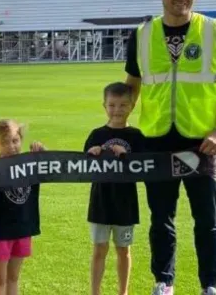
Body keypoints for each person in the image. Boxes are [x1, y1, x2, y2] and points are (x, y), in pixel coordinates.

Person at [124, 0, 216, 295]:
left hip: (202, 141)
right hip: (156, 140)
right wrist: (120, 125)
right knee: (161, 218)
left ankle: (210, 286)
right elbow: (131, 85)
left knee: (207, 220)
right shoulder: (142, 34)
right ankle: (164, 282)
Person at [84, 82, 145, 295]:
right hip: (100, 201)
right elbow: (82, 168)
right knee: (99, 249)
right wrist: (92, 153)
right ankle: (95, 291)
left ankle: (123, 291)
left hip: (126, 203)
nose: (117, 110)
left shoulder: (137, 137)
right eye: (112, 105)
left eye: (122, 105)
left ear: (132, 106)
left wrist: (126, 156)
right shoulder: (96, 135)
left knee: (123, 250)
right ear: (104, 106)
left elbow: (145, 168)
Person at [0, 119, 46, 295]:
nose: (11, 146)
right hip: (1, 232)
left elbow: (51, 168)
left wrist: (42, 154)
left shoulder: (30, 165)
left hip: (23, 229)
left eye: (15, 140)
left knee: (13, 278)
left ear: (21, 139)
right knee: (0, 280)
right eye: (4, 142)